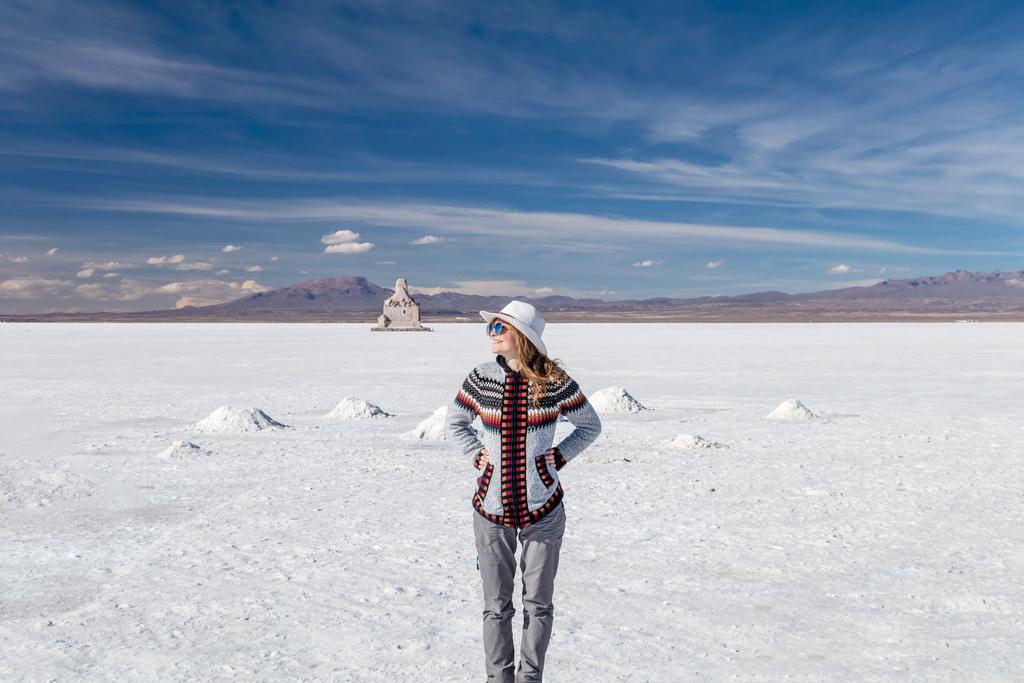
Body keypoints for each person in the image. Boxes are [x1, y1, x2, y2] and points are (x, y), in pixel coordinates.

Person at [445, 300, 602, 683]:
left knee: (538, 605)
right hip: (491, 513)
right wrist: (475, 453)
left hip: (543, 512)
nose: (492, 334)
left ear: (523, 337)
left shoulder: (553, 381)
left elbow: (589, 425)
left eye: (500, 328)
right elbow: (455, 421)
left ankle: (530, 678)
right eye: (491, 328)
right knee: (496, 607)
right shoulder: (481, 378)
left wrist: (557, 458)